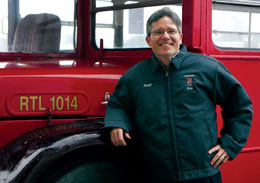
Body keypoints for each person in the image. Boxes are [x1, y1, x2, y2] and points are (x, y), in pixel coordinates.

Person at [105, 7, 253, 183]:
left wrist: (229, 145)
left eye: (171, 31)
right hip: (155, 173)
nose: (165, 36)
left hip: (203, 172)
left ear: (180, 37)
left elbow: (239, 105)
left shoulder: (207, 68)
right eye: (158, 32)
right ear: (148, 40)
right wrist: (117, 124)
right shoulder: (135, 76)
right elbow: (118, 104)